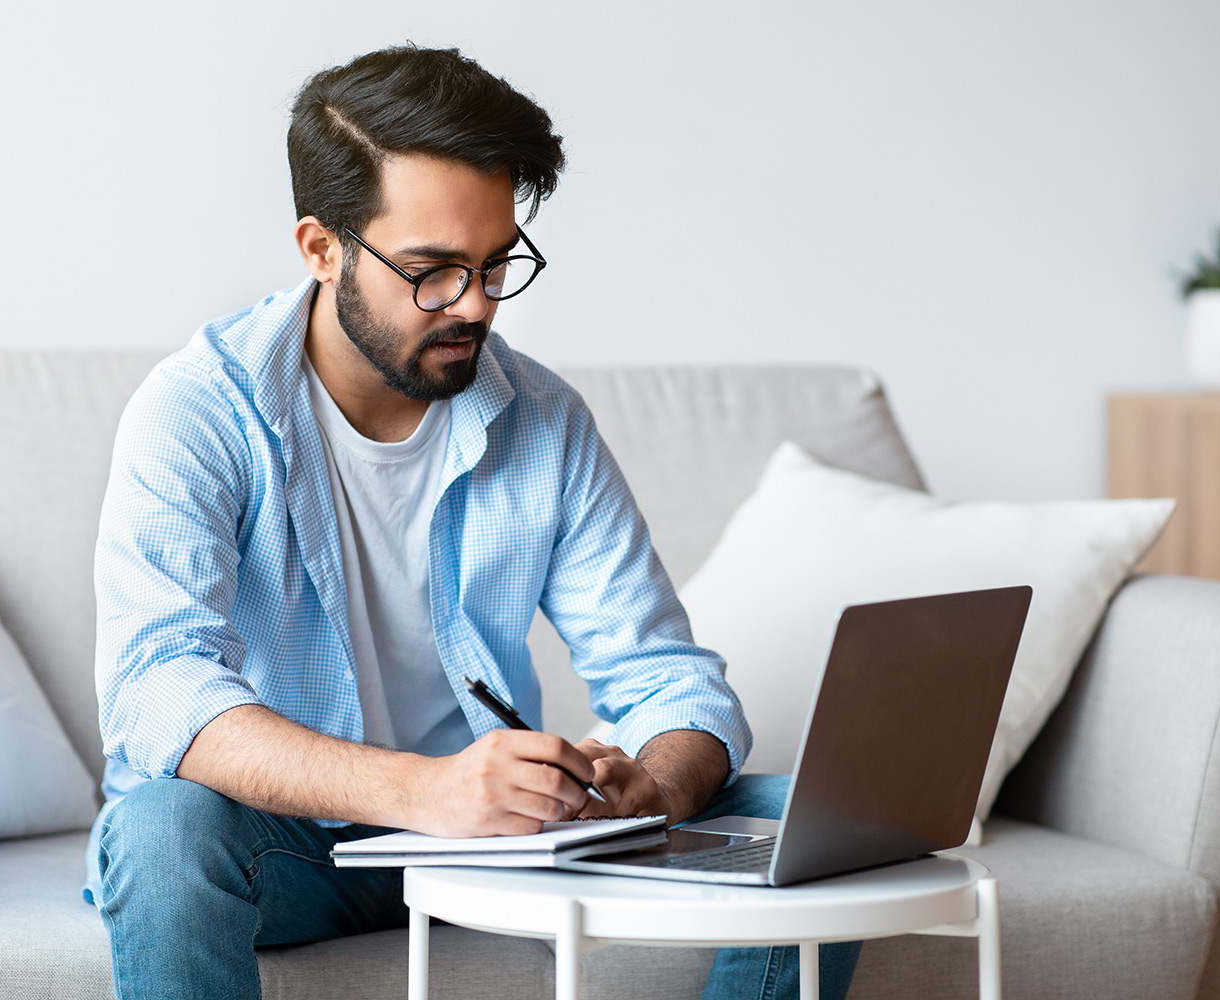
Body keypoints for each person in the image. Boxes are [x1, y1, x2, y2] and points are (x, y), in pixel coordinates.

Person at [85, 44, 860, 1000]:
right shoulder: (200, 411)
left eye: (497, 264)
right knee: (163, 828)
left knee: (818, 822)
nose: (478, 306)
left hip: (497, 852)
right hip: (291, 851)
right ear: (322, 249)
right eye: (433, 271)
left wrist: (655, 785)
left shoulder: (543, 420)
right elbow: (158, 688)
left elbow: (668, 680)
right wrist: (424, 791)